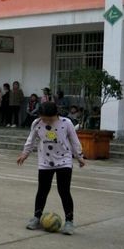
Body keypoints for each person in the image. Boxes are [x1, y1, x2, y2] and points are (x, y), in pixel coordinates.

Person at [17, 101, 85, 235]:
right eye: (43, 118)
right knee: (42, 190)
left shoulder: (66, 123)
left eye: (49, 118)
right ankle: (36, 217)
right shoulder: (37, 123)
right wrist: (25, 154)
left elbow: (74, 140)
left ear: (56, 115)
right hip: (45, 162)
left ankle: (69, 222)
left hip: (64, 161)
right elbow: (31, 140)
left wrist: (79, 156)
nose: (46, 121)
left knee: (64, 191)